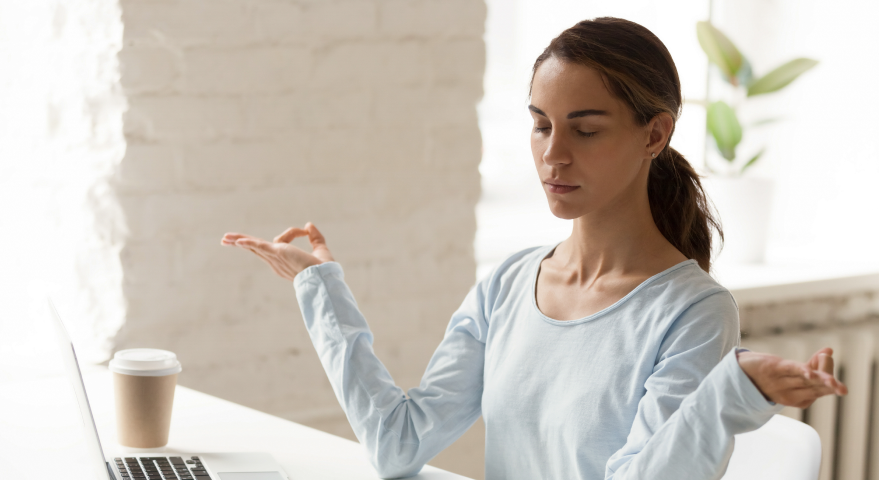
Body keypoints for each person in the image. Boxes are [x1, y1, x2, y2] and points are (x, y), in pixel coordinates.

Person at [222, 17, 847, 480]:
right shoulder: (510, 284)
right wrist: (320, 290)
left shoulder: (692, 310)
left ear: (655, 133)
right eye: (541, 124)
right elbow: (397, 444)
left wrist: (732, 392)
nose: (554, 154)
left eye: (586, 128)